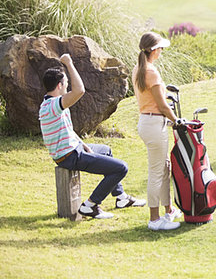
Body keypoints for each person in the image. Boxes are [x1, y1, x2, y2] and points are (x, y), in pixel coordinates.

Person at [39, 54, 146, 219]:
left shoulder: (49, 104)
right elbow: (79, 90)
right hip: (69, 156)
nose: (68, 86)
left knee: (106, 150)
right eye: (66, 83)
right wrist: (69, 63)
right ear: (60, 85)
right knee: (121, 168)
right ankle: (90, 205)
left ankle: (121, 198)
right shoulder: (54, 105)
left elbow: (67, 130)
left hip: (73, 149)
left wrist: (82, 143)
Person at [132, 32, 183, 231]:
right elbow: (162, 106)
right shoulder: (150, 71)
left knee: (164, 168)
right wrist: (176, 120)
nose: (161, 51)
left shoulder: (139, 68)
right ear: (153, 50)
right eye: (160, 48)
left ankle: (168, 211)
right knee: (156, 172)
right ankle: (154, 220)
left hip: (150, 123)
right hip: (154, 124)